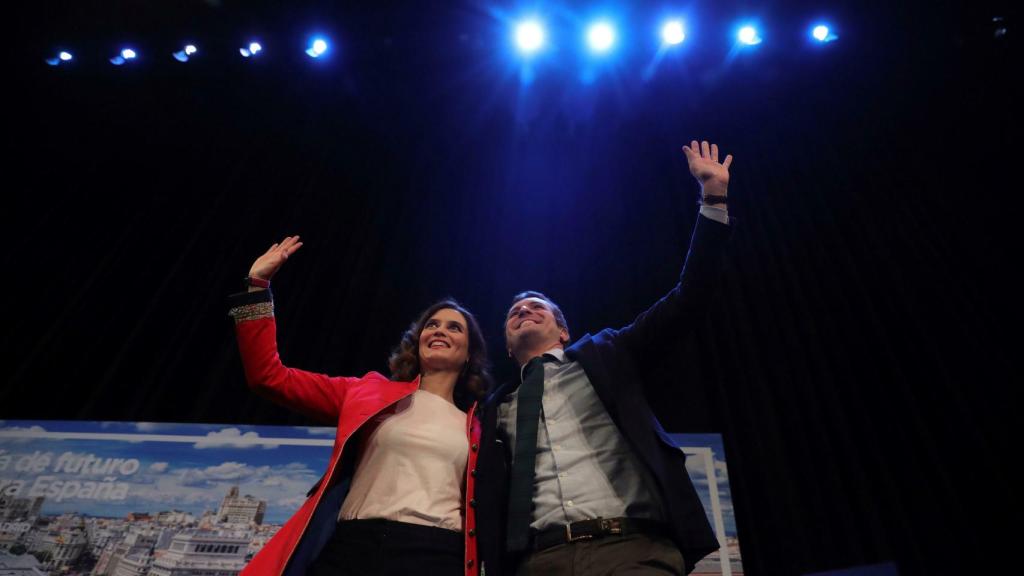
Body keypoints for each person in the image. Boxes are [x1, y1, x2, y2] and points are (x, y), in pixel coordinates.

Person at [474, 141, 735, 576]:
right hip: (538, 563)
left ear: (564, 330)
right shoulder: (494, 409)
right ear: (505, 345)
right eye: (514, 312)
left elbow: (688, 299)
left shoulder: (609, 352)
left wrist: (713, 198)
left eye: (537, 305)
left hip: (633, 550)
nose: (524, 309)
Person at [228, 236, 492, 576]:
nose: (439, 330)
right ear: (419, 340)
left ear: (469, 352)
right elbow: (269, 377)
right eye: (432, 324)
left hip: (435, 555)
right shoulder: (366, 392)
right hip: (353, 547)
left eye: (454, 327)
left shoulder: (478, 427)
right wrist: (257, 286)